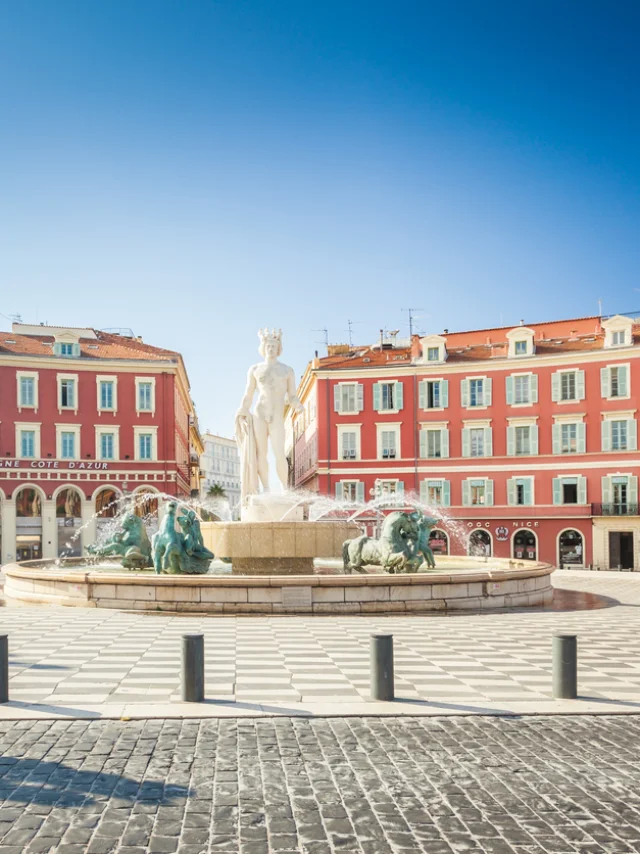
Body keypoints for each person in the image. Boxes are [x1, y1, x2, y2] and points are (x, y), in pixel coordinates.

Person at [235, 328, 303, 504]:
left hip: (277, 414)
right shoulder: (255, 369)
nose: (271, 348)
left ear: (279, 348)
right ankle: (265, 488)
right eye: (268, 345)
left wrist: (298, 405)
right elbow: (249, 394)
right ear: (263, 347)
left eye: (274, 345)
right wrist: (242, 410)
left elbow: (292, 395)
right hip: (260, 412)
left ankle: (285, 489)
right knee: (261, 453)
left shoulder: (287, 370)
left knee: (279, 453)